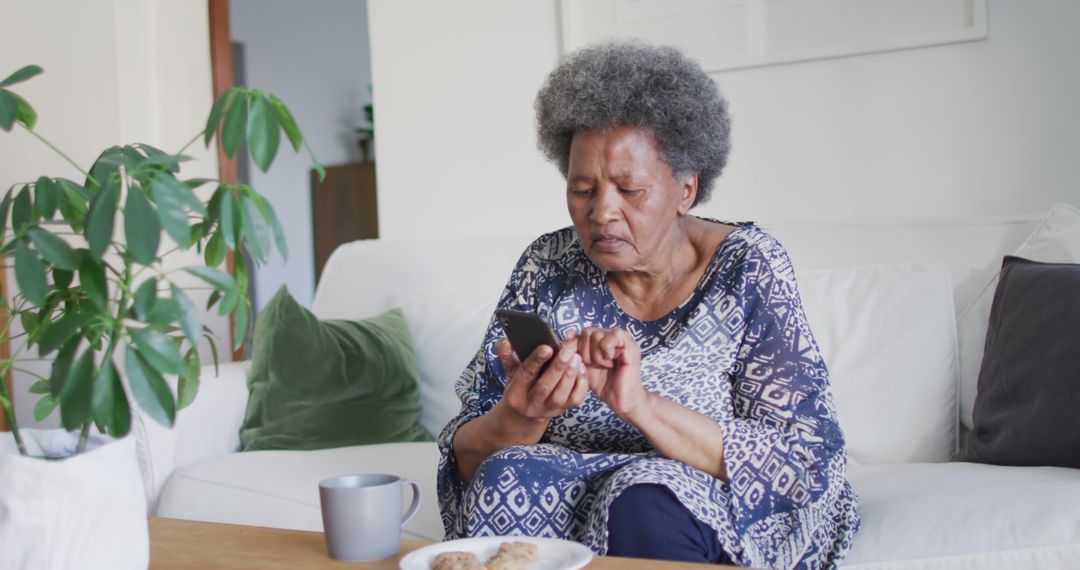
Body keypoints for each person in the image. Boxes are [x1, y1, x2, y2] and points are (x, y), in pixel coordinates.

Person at [436, 40, 859, 569]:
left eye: (629, 190)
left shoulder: (748, 267)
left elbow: (804, 463)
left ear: (686, 189)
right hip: (575, 485)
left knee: (641, 494)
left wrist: (641, 406)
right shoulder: (546, 265)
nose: (601, 212)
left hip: (704, 502)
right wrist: (520, 415)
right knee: (508, 475)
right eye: (582, 189)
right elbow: (468, 457)